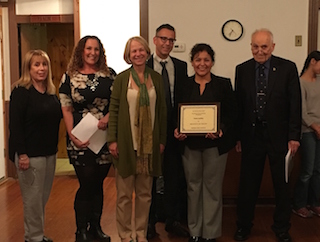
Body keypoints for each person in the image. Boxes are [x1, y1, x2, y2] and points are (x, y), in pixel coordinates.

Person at [234, 28, 301, 242]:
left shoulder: (287, 68)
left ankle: (281, 228)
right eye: (255, 46)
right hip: (251, 136)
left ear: (272, 46)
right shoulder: (242, 69)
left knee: (281, 186)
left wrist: (294, 136)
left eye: (264, 46)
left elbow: (295, 105)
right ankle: (243, 226)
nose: (259, 50)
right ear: (251, 47)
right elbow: (239, 106)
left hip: (280, 137)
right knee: (247, 186)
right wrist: (237, 137)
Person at [174, 44, 237, 242]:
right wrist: (177, 129)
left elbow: (231, 114)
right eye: (198, 60)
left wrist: (221, 130)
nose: (202, 64)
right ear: (192, 62)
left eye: (206, 60)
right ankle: (195, 231)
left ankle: (210, 233)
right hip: (190, 145)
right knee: (193, 187)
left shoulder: (223, 84)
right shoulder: (183, 84)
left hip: (215, 147)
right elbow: (176, 112)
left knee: (212, 188)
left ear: (212, 62)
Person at [107, 36, 167, 242]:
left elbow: (162, 112)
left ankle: (140, 233)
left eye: (141, 50)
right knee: (124, 196)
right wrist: (112, 140)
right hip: (126, 144)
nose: (138, 54)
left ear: (147, 52)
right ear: (128, 55)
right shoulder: (121, 79)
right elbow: (113, 110)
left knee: (145, 194)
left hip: (149, 147)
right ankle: (125, 235)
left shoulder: (156, 78)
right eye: (134, 51)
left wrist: (161, 140)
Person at [59, 35, 116, 242]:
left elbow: (117, 103)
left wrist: (108, 117)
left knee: (98, 183)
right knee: (86, 183)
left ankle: (96, 227)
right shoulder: (69, 76)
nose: (93, 53)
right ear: (81, 51)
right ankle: (80, 229)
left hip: (103, 137)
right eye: (89, 48)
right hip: (80, 138)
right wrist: (72, 134)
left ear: (101, 52)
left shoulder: (110, 75)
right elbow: (65, 107)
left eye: (96, 49)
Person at [9, 49, 62, 242]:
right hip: (30, 156)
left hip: (49, 153)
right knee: (32, 200)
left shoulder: (50, 92)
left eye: (44, 64)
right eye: (37, 65)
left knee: (41, 198)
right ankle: (33, 237)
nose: (41, 69)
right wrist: (22, 154)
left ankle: (36, 234)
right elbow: (15, 126)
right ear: (28, 68)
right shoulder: (21, 92)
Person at [146, 23, 189, 239]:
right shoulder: (143, 65)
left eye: (171, 40)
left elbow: (183, 100)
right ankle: (150, 223)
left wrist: (182, 127)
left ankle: (172, 220)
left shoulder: (180, 66)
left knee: (174, 178)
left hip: (175, 133)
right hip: (150, 132)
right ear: (155, 40)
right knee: (151, 178)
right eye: (163, 39)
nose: (167, 43)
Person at [292, 51, 320, 218]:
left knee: (318, 170)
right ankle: (299, 204)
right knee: (307, 170)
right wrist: (315, 127)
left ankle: (315, 202)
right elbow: (301, 111)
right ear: (313, 62)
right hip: (308, 130)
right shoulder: (300, 83)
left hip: (319, 129)